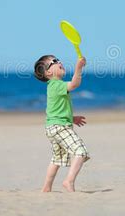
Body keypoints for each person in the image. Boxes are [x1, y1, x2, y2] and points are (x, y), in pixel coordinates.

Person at [34, 55, 90, 192]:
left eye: (58, 59)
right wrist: (79, 68)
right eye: (54, 62)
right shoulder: (56, 84)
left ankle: (46, 188)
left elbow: (58, 109)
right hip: (59, 127)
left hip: (52, 127)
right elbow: (74, 84)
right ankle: (69, 181)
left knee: (56, 159)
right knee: (81, 152)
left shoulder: (54, 86)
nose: (59, 62)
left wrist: (72, 118)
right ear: (48, 72)